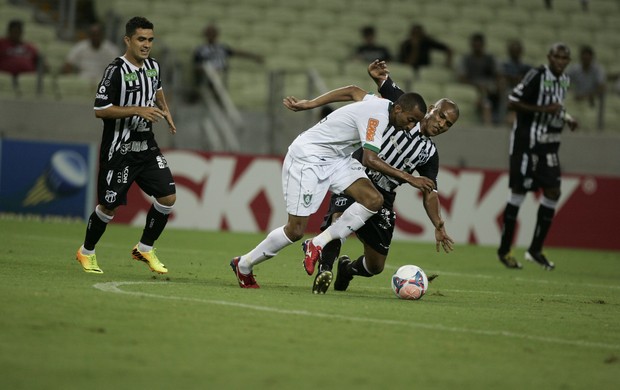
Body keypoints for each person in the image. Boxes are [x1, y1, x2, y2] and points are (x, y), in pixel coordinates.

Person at [230, 84, 435, 288]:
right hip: (308, 159)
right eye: (410, 121)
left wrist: (311, 103)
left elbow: (352, 91)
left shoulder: (383, 104)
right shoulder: (377, 117)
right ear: (398, 110)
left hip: (337, 159)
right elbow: (370, 159)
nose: (410, 127)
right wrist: (409, 178)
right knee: (295, 230)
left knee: (373, 200)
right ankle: (244, 264)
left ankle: (316, 243)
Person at [309, 60, 458, 294]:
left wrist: (438, 223)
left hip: (384, 195)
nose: (441, 124)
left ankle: (346, 269)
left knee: (376, 265)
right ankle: (324, 270)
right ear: (431, 108)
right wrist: (377, 76)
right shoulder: (406, 105)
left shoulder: (429, 154)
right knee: (339, 219)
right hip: (356, 176)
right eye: (440, 116)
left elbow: (430, 192)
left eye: (447, 124)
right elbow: (381, 84)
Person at [75, 16, 177, 275]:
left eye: (150, 40)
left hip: (146, 146)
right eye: (141, 39)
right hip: (119, 149)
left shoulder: (153, 66)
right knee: (108, 206)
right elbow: (100, 110)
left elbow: (157, 88)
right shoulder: (115, 70)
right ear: (128, 40)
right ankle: (86, 252)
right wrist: (137, 110)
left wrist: (166, 111)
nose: (146, 45)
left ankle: (144, 247)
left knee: (167, 197)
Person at [497, 42, 578, 271]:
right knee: (519, 193)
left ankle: (535, 249)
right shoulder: (536, 75)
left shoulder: (565, 80)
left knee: (553, 191)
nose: (561, 62)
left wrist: (567, 118)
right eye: (558, 57)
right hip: (526, 143)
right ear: (549, 57)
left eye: (565, 58)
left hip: (549, 145)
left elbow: (556, 106)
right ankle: (505, 250)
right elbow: (513, 101)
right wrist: (544, 111)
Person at [193, 23, 263, 87]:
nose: (211, 35)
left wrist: (254, 56)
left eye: (213, 33)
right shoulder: (200, 50)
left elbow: (238, 53)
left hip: (222, 75)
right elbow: (196, 66)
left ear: (217, 34)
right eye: (209, 33)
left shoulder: (222, 48)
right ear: (205, 34)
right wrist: (209, 70)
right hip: (207, 77)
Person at [456, 32, 501, 125]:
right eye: (475, 45)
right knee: (486, 103)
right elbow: (462, 78)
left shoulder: (490, 59)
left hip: (491, 88)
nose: (477, 47)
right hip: (473, 87)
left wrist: (496, 86)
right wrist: (477, 86)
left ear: (483, 45)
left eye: (479, 45)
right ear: (471, 45)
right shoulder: (466, 59)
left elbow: (499, 75)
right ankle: (488, 124)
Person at [499, 40, 532, 124]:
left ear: (521, 51)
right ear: (509, 51)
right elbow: (501, 77)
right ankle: (502, 120)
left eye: (517, 50)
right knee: (508, 94)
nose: (515, 52)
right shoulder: (504, 65)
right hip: (508, 89)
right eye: (513, 50)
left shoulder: (527, 67)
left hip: (523, 90)